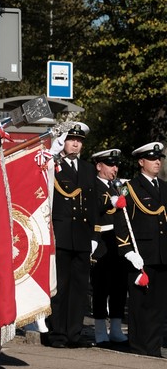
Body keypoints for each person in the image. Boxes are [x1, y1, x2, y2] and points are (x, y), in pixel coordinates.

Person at [114, 142, 167, 357]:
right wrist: (127, 250)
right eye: (152, 159)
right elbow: (122, 221)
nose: (157, 162)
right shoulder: (130, 188)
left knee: (158, 305)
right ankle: (138, 346)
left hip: (162, 253)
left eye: (159, 158)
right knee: (140, 303)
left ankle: (153, 347)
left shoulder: (164, 187)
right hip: (141, 254)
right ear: (141, 162)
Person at [46, 122, 97, 348]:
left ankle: (74, 334)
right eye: (71, 140)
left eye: (79, 141)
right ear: (63, 142)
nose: (76, 144)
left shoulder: (87, 169)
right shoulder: (53, 165)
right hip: (62, 234)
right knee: (60, 287)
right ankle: (57, 333)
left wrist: (94, 235)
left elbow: (93, 203)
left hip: (82, 236)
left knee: (79, 288)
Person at [89, 149, 128, 346]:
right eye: (110, 164)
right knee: (101, 286)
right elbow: (93, 209)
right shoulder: (92, 185)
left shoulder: (117, 186)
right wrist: (109, 203)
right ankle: (99, 330)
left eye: (116, 165)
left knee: (119, 285)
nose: (115, 168)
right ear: (99, 166)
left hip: (118, 241)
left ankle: (116, 328)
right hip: (101, 239)